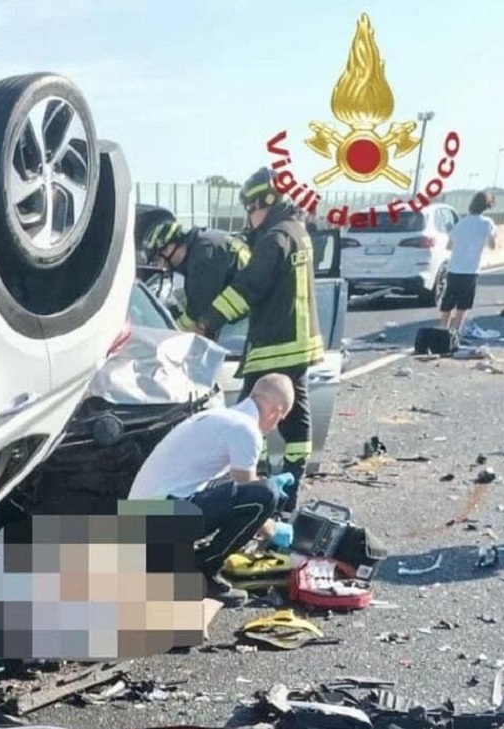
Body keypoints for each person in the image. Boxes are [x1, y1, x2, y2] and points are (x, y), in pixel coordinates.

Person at [192, 167, 324, 509]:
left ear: (267, 202)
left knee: (248, 415)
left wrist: (209, 320)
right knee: (296, 419)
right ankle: (288, 489)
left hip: (274, 345)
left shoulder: (275, 237)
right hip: (297, 342)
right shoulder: (297, 231)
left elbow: (248, 288)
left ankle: (256, 492)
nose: (249, 216)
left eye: (252, 208)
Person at [128, 374, 297, 606]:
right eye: (280, 420)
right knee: (265, 495)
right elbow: (252, 495)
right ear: (275, 411)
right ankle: (203, 571)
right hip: (158, 517)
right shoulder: (246, 429)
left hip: (143, 513)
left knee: (260, 490)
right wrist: (273, 529)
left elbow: (229, 484)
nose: (275, 426)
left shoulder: (219, 416)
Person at [141, 220, 252, 335]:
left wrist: (170, 332)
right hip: (245, 312)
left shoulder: (203, 257)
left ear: (169, 248)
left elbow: (197, 313)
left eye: (157, 259)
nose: (160, 265)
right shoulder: (201, 245)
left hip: (244, 319)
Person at [440, 191, 499, 335]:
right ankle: (454, 334)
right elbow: (493, 246)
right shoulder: (487, 223)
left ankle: (442, 331)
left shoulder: (461, 222)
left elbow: (449, 246)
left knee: (448, 303)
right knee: (463, 305)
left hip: (454, 268)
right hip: (470, 270)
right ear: (487, 206)